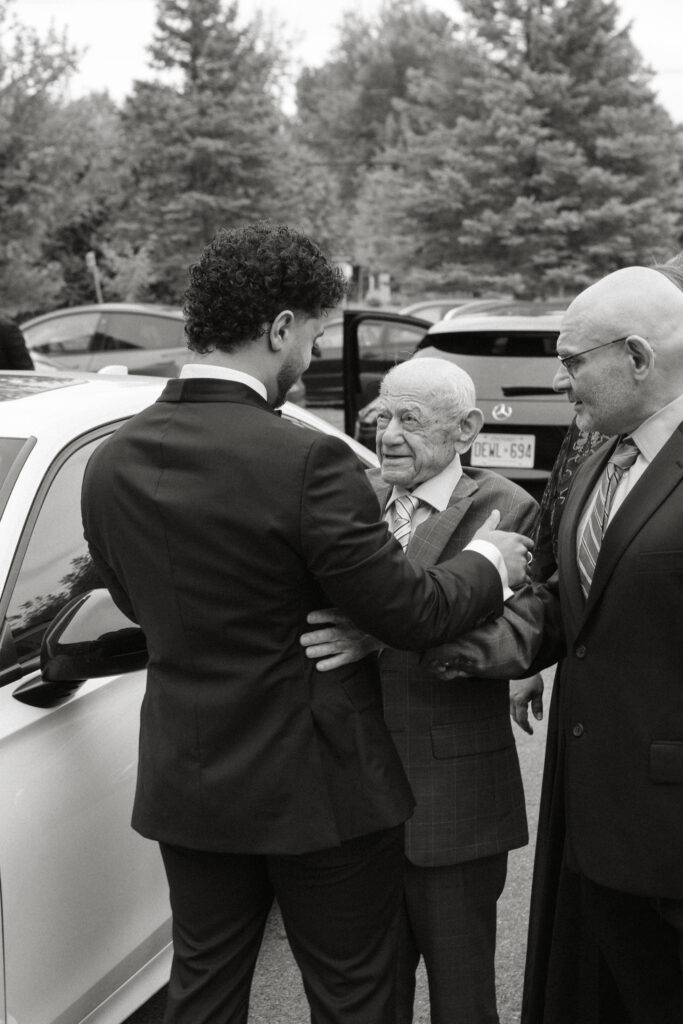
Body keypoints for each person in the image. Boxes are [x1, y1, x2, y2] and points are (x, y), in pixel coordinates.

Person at [80, 221, 534, 1024]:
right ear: (279, 327)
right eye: (317, 333)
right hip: (318, 788)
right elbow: (412, 609)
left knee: (203, 990)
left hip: (187, 782)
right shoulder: (303, 461)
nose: (315, 357)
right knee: (353, 993)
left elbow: (134, 600)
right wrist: (495, 559)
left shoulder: (111, 461)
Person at [300, 356, 543, 1024]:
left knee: (462, 1001)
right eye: (382, 414)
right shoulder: (351, 499)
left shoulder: (504, 507)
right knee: (357, 1001)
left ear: (465, 429)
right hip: (347, 799)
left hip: (450, 803)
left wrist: (383, 634)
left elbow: (516, 638)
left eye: (411, 418)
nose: (388, 434)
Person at [513, 266, 683, 1023]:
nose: (558, 380)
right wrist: (430, 629)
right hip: (593, 821)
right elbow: (567, 604)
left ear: (638, 359)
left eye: (572, 360)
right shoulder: (594, 460)